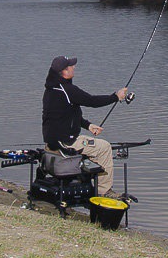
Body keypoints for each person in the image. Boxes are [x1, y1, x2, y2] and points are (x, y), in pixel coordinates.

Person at [42, 55, 128, 198]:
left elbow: (66, 115)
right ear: (64, 72)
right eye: (71, 66)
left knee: (94, 146)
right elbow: (91, 101)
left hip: (55, 140)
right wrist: (115, 97)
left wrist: (88, 126)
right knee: (104, 147)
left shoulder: (51, 90)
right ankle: (104, 192)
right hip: (67, 142)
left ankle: (87, 181)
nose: (74, 67)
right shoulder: (68, 90)